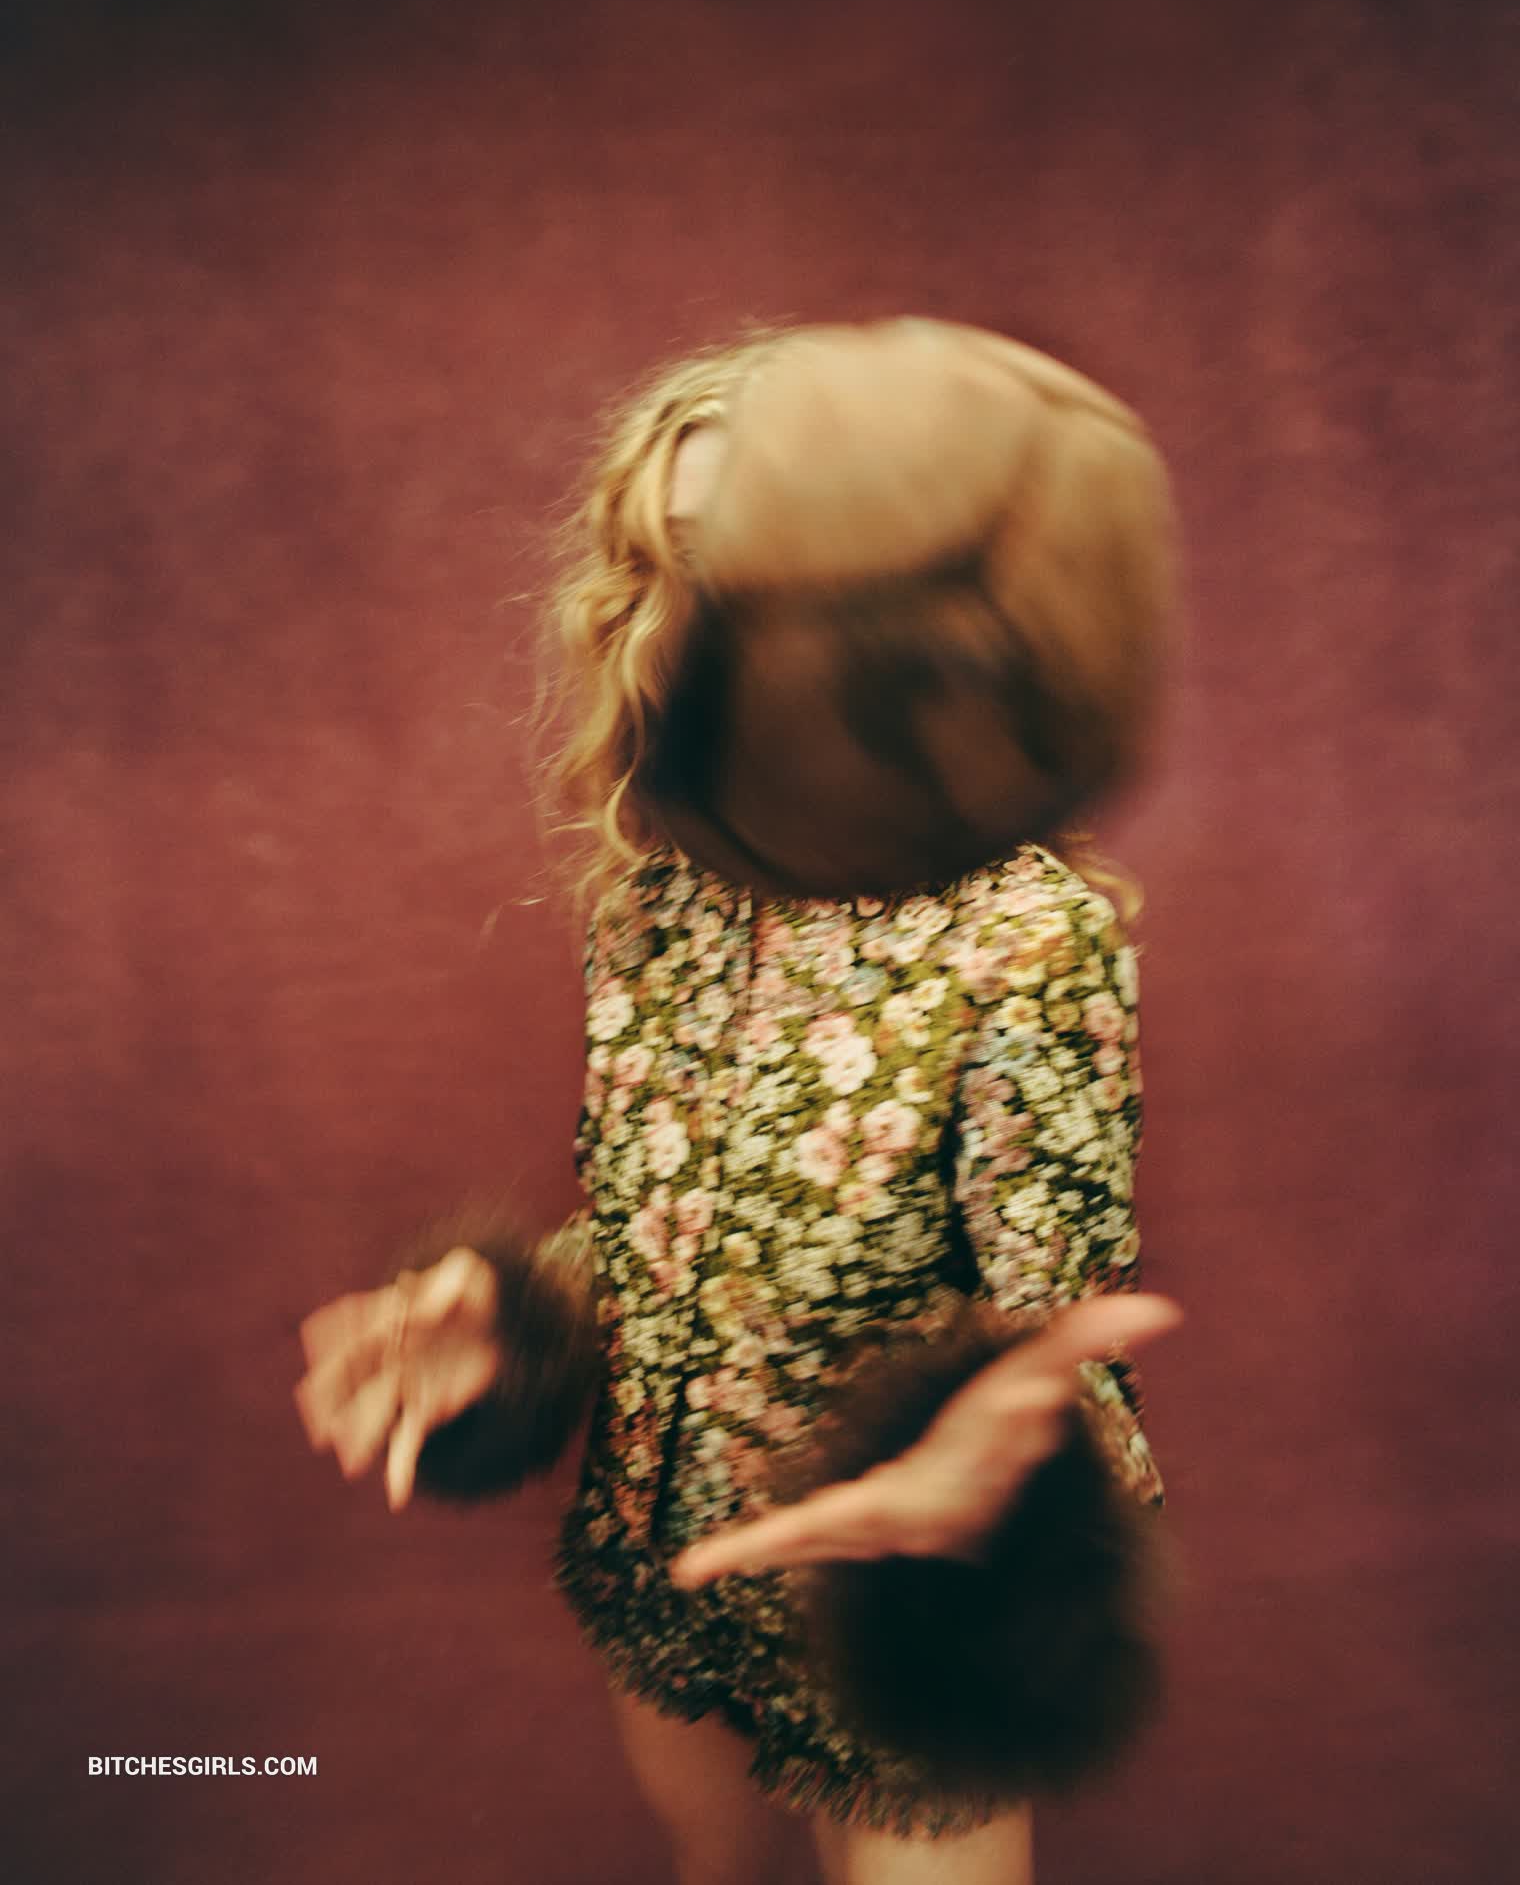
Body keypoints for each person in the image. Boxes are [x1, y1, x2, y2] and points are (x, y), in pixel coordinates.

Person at [295, 317, 1184, 1885]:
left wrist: (996, 1483)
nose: (707, 620)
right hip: (667, 1572)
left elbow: (1060, 1333)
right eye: (673, 567)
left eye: (761, 571)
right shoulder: (658, 902)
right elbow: (662, 1243)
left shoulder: (1025, 933)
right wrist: (518, 1316)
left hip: (889, 1601)